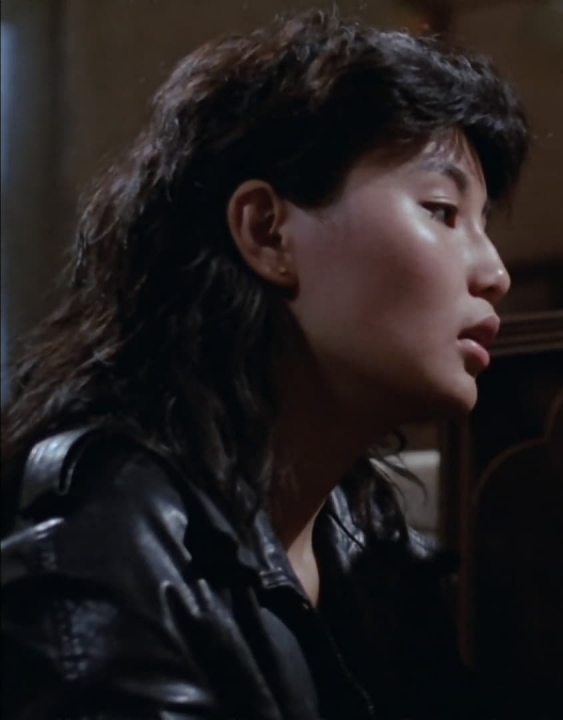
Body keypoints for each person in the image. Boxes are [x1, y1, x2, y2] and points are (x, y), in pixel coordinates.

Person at [0, 10, 527, 719]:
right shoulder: (100, 546)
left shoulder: (363, 539)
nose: (495, 273)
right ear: (267, 231)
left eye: (484, 224)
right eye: (441, 210)